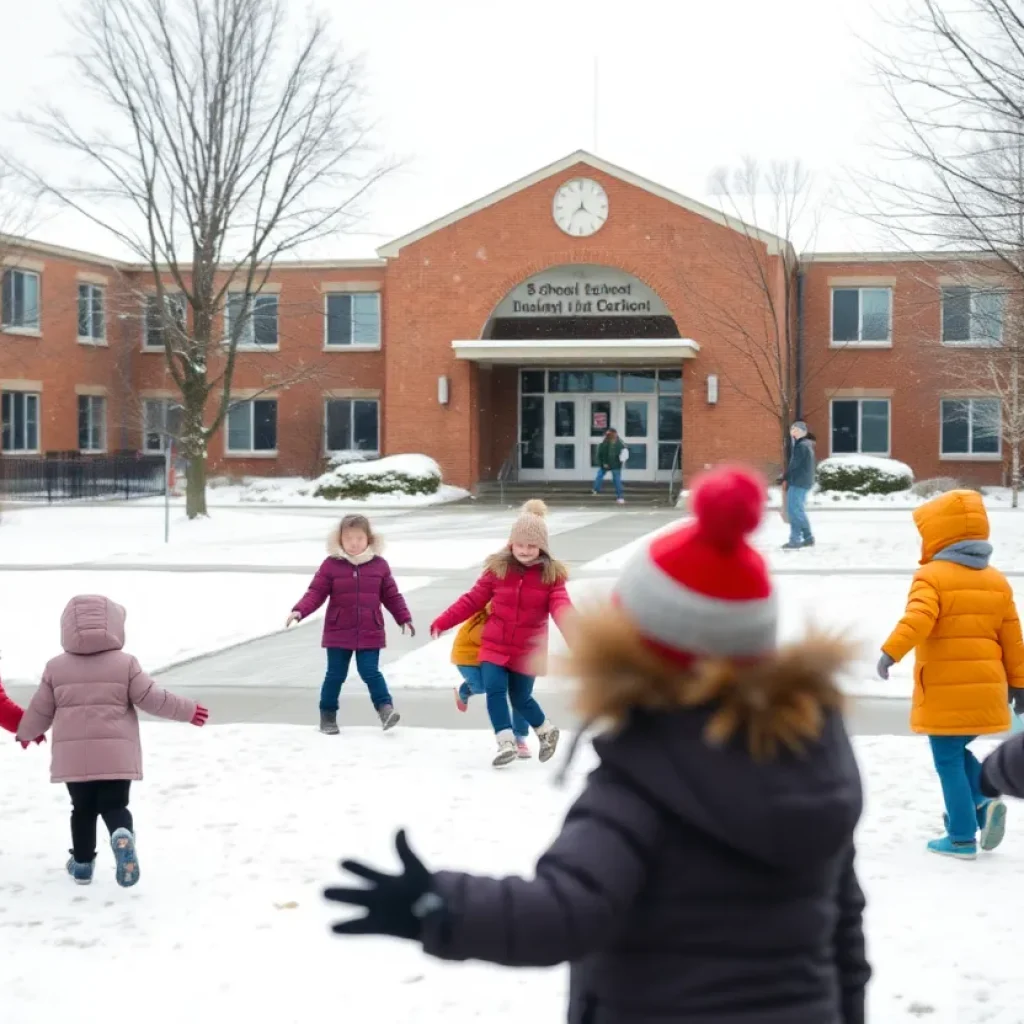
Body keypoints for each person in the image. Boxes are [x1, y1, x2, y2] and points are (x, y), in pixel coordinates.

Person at [323, 467, 869, 1024]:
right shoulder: (815, 763)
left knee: (510, 696)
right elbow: (846, 935)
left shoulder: (644, 777)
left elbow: (568, 910)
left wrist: (439, 904)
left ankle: (515, 730)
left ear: (635, 646)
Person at [15, 595, 208, 887]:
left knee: (82, 810)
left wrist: (27, 732)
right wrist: (189, 710)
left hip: (73, 758)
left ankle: (81, 865)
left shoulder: (55, 667)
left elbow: (41, 708)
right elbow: (154, 699)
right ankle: (121, 833)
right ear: (114, 625)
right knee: (114, 805)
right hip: (116, 756)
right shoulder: (125, 664)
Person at [876, 488, 1024, 859]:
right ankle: (980, 802)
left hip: (946, 691)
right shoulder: (996, 581)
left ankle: (961, 835)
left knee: (947, 760)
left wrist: (891, 651)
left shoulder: (931, 576)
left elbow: (918, 618)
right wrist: (1021, 683)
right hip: (988, 690)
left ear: (939, 535)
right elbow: (1013, 636)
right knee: (957, 753)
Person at [430, 500, 570, 767]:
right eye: (520, 545)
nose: (525, 551)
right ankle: (505, 741)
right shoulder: (498, 570)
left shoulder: (551, 576)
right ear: (511, 543)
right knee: (495, 691)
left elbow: (561, 606)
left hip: (528, 650)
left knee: (520, 697)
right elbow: (472, 600)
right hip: (495, 645)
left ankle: (546, 731)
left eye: (532, 546)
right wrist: (443, 621)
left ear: (542, 546)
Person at [287, 514, 414, 735]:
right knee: (335, 674)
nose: (354, 543)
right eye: (348, 538)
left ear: (368, 539)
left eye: (359, 538)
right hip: (338, 630)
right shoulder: (331, 565)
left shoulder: (379, 566)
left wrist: (404, 618)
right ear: (340, 540)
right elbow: (315, 593)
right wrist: (299, 610)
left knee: (370, 671)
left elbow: (392, 596)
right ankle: (327, 716)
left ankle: (385, 710)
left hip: (370, 629)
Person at [451, 603, 532, 758]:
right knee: (482, 687)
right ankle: (465, 690)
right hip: (468, 656)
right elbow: (480, 636)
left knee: (519, 694)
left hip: (497, 656)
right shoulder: (483, 616)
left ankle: (520, 738)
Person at [781, 420, 815, 549]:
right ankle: (807, 537)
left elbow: (795, 464)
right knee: (797, 510)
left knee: (794, 511)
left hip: (798, 482)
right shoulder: (806, 445)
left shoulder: (801, 446)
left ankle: (795, 540)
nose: (792, 432)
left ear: (802, 432)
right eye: (792, 429)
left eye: (795, 429)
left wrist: (785, 476)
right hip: (803, 481)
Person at [592, 427, 626, 504]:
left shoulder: (619, 443)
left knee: (616, 480)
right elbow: (600, 455)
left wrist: (621, 462)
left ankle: (620, 496)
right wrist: (603, 463)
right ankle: (596, 489)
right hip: (606, 464)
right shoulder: (604, 443)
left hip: (615, 465)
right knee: (600, 475)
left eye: (613, 434)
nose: (612, 436)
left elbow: (624, 453)